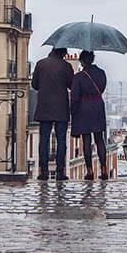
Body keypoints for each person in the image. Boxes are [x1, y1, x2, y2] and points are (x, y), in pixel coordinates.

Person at [31, 47, 74, 180]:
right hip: (61, 107)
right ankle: (60, 172)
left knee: (44, 140)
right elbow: (71, 85)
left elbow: (34, 85)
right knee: (61, 140)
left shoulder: (41, 64)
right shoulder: (66, 66)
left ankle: (43, 172)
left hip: (45, 106)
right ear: (62, 53)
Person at [70, 50, 108, 180]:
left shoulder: (79, 77)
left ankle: (90, 171)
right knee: (99, 139)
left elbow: (74, 97)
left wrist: (73, 111)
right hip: (98, 105)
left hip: (84, 107)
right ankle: (104, 169)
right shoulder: (102, 73)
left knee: (86, 140)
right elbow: (102, 88)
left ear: (82, 61)